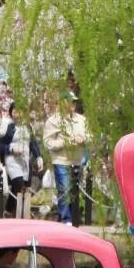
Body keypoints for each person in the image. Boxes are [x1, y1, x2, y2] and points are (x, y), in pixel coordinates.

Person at [42, 85, 87, 225]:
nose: (73, 105)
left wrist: (84, 140)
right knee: (64, 188)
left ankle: (74, 218)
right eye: (70, 101)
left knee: (75, 191)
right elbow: (47, 142)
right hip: (61, 160)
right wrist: (64, 142)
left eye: (74, 102)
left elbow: (91, 136)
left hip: (78, 160)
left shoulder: (82, 120)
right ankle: (66, 219)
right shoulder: (53, 120)